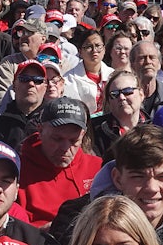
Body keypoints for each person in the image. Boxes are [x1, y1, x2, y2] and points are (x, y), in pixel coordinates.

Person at [17, 97, 102, 227]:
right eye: (57, 139)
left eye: (74, 141)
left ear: (83, 135)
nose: (65, 148)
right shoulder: (17, 171)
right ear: (40, 131)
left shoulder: (99, 168)